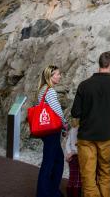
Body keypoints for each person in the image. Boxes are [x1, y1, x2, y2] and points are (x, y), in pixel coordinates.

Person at [71, 51, 110, 197]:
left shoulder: (84, 85)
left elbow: (75, 112)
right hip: (106, 137)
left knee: (88, 177)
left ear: (100, 63)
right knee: (105, 173)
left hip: (86, 137)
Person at [36, 65, 68, 197]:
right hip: (51, 131)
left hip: (45, 130)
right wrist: (65, 125)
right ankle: (46, 193)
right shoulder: (50, 91)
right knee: (50, 162)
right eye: (57, 74)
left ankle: (51, 190)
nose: (60, 76)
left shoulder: (42, 90)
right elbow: (58, 111)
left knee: (56, 160)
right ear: (51, 76)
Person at [64, 118, 81, 197]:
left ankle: (69, 194)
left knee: (72, 177)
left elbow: (67, 144)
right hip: (79, 156)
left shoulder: (72, 130)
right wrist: (74, 152)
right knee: (78, 178)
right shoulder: (82, 131)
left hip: (71, 157)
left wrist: (69, 153)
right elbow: (81, 146)